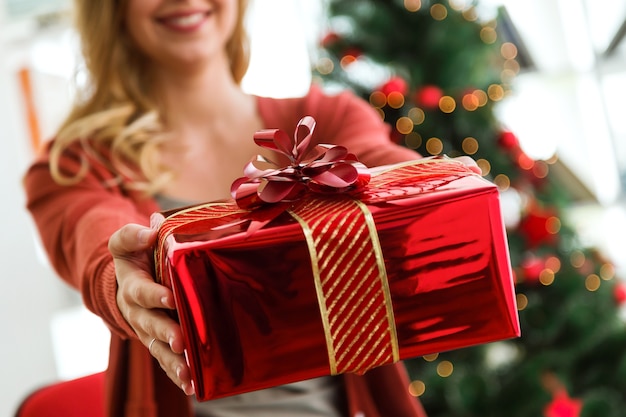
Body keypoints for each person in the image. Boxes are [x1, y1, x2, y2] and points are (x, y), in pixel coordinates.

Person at [23, 0, 476, 416]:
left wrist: (433, 186)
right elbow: (95, 239)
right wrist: (125, 282)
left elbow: (384, 171)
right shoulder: (74, 166)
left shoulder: (325, 117)